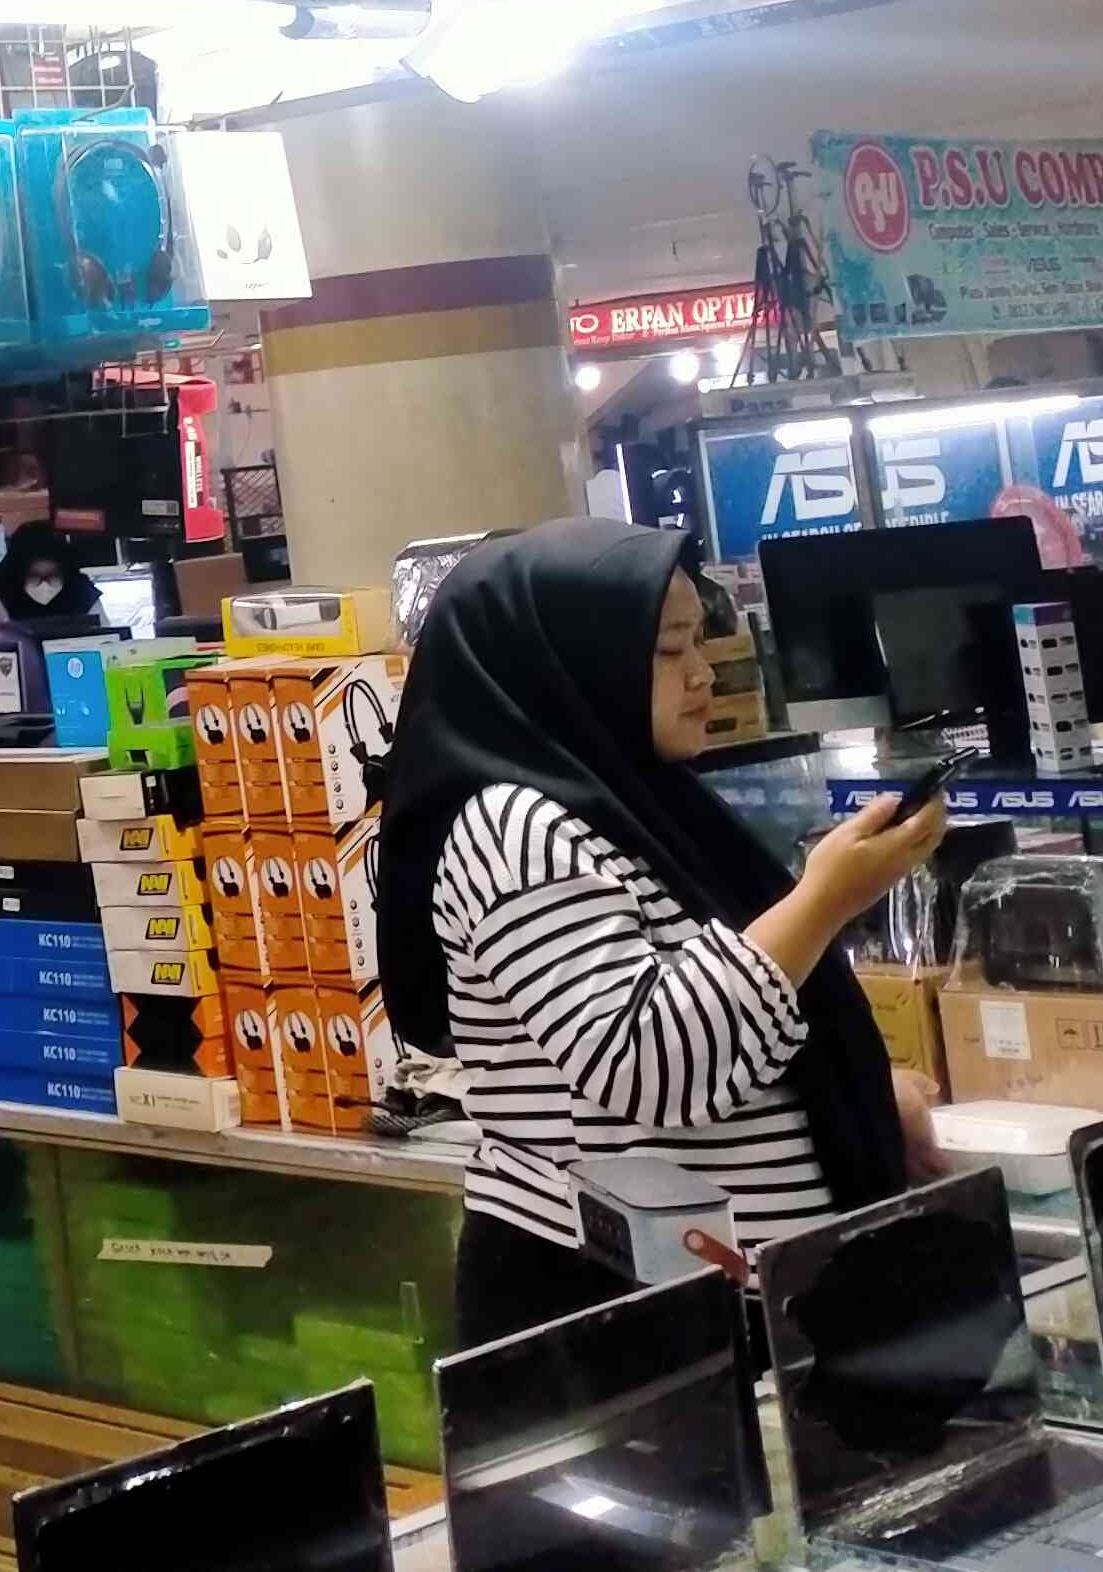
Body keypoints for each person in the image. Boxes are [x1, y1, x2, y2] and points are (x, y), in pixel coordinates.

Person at [378, 519, 948, 1348]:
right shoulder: (518, 830)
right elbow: (646, 1065)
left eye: (700, 641)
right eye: (670, 649)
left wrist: (849, 1092)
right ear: (571, 663)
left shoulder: (639, 802)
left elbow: (720, 1002)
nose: (703, 672)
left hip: (713, 1298)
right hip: (611, 1315)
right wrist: (826, 899)